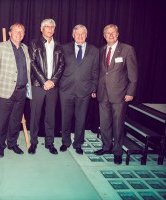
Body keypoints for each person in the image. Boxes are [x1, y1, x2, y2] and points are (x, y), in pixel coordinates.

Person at [95, 24, 138, 165]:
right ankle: (106, 147)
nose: (110, 35)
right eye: (107, 33)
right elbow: (101, 73)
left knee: (118, 124)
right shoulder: (101, 50)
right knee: (104, 123)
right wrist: (95, 89)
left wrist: (131, 92)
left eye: (113, 33)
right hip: (103, 93)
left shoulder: (127, 49)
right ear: (104, 35)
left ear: (118, 34)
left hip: (120, 94)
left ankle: (117, 151)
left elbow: (133, 74)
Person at [0, 23, 32, 158]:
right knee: (3, 120)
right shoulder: (0, 47)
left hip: (21, 91)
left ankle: (12, 143)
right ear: (10, 33)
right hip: (5, 90)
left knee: (16, 120)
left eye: (21, 32)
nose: (19, 34)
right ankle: (0, 146)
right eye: (16, 31)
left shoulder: (25, 48)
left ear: (24, 34)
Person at [59, 24, 99, 155]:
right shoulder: (64, 48)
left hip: (85, 91)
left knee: (80, 119)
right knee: (66, 118)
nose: (80, 36)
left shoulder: (94, 50)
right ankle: (65, 142)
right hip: (66, 90)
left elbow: (95, 71)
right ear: (73, 35)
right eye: (77, 34)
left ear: (86, 35)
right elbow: (58, 67)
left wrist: (93, 88)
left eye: (82, 34)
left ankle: (78, 143)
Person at [28, 19, 65, 155]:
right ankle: (33, 143)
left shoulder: (58, 45)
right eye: (47, 27)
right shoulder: (33, 43)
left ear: (54, 29)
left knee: (51, 116)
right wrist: (44, 81)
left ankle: (50, 143)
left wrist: (52, 81)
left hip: (53, 86)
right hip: (38, 85)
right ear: (41, 29)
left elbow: (62, 65)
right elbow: (32, 63)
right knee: (35, 115)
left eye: (52, 27)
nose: (50, 29)